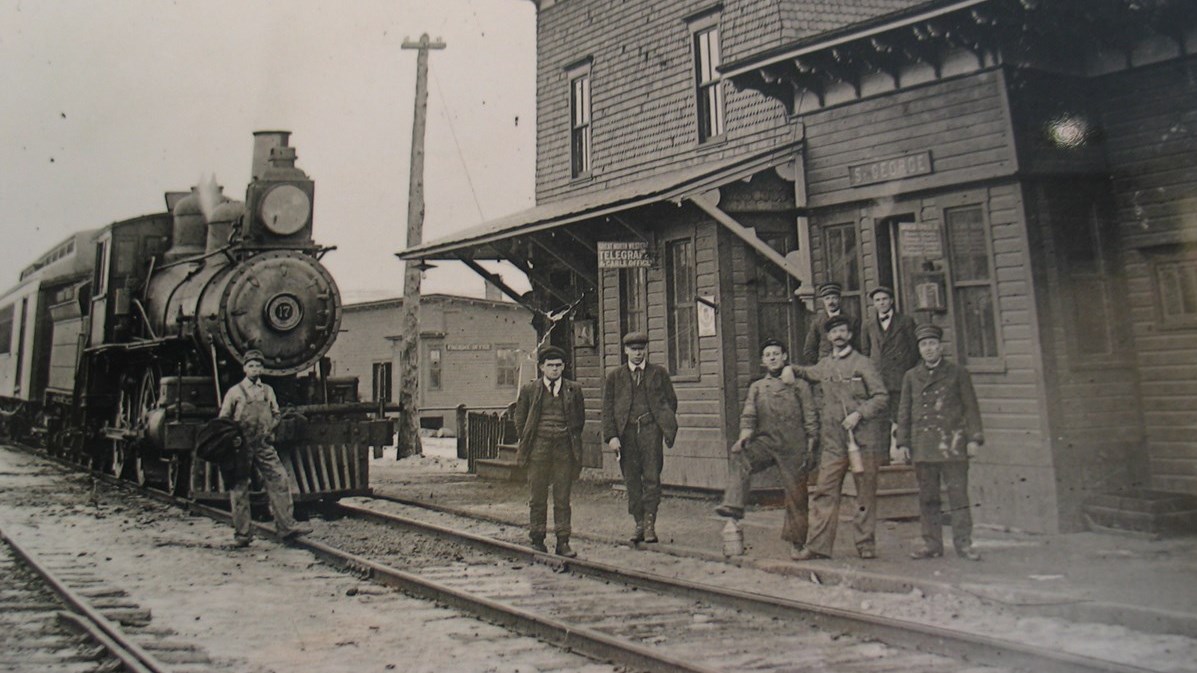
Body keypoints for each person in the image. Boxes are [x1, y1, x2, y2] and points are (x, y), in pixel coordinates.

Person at [785, 316, 889, 560]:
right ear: (829, 337)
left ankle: (865, 543)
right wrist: (790, 369)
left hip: (863, 441)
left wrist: (858, 414)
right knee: (825, 491)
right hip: (834, 442)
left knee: (865, 493)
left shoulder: (863, 364)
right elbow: (808, 373)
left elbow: (881, 397)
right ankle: (819, 546)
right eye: (834, 332)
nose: (839, 335)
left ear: (850, 335)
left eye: (843, 331)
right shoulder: (826, 365)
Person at [716, 338, 819, 559]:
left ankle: (797, 545)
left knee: (797, 496)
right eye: (768, 355)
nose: (772, 357)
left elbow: (810, 417)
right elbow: (749, 416)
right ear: (763, 361)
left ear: (785, 357)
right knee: (741, 456)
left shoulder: (799, 385)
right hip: (767, 442)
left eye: (776, 353)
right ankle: (733, 507)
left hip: (794, 445)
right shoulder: (757, 388)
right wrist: (744, 437)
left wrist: (811, 445)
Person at [897, 324, 984, 561]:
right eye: (924, 345)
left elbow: (971, 408)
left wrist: (974, 439)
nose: (929, 349)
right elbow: (904, 412)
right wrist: (903, 442)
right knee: (928, 498)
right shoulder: (911, 377)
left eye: (932, 344)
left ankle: (964, 544)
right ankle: (932, 544)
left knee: (958, 497)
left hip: (952, 443)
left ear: (940, 346)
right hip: (923, 445)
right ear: (919, 349)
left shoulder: (957, 373)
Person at [219, 349, 310, 547]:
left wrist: (270, 429)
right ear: (245, 368)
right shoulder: (235, 392)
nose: (255, 369)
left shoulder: (267, 391)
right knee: (240, 487)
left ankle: (286, 526)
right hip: (241, 446)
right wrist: (233, 438)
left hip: (263, 443)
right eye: (251, 365)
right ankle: (242, 534)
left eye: (258, 365)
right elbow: (224, 420)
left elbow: (276, 414)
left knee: (279, 479)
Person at [602, 331, 678, 544]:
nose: (638, 353)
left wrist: (662, 424)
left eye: (641, 349)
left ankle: (650, 524)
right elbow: (607, 409)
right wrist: (612, 437)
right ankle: (638, 523)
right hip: (626, 435)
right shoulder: (615, 377)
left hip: (650, 432)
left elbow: (671, 401)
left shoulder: (658, 374)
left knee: (652, 478)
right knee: (632, 479)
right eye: (634, 350)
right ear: (626, 351)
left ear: (646, 350)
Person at [514, 345, 586, 557]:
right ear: (541, 367)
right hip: (539, 450)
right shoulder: (530, 390)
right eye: (550, 366)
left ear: (563, 367)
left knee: (562, 498)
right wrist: (530, 440)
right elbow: (520, 419)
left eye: (558, 365)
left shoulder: (574, 390)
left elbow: (579, 420)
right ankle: (537, 539)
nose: (555, 369)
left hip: (564, 449)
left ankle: (563, 542)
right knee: (537, 497)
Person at [858, 286, 919, 463]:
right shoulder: (868, 324)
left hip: (900, 380)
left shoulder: (906, 321)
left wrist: (904, 370)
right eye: (877, 300)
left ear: (891, 301)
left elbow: (914, 351)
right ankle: (882, 459)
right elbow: (866, 351)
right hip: (878, 382)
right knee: (880, 421)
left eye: (884, 299)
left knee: (902, 417)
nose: (881, 303)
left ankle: (905, 457)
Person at [801, 282, 860, 365]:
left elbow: (858, 347)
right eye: (827, 298)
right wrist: (820, 365)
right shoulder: (817, 323)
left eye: (834, 298)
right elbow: (809, 349)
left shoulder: (851, 321)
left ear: (840, 299)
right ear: (823, 301)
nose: (831, 302)